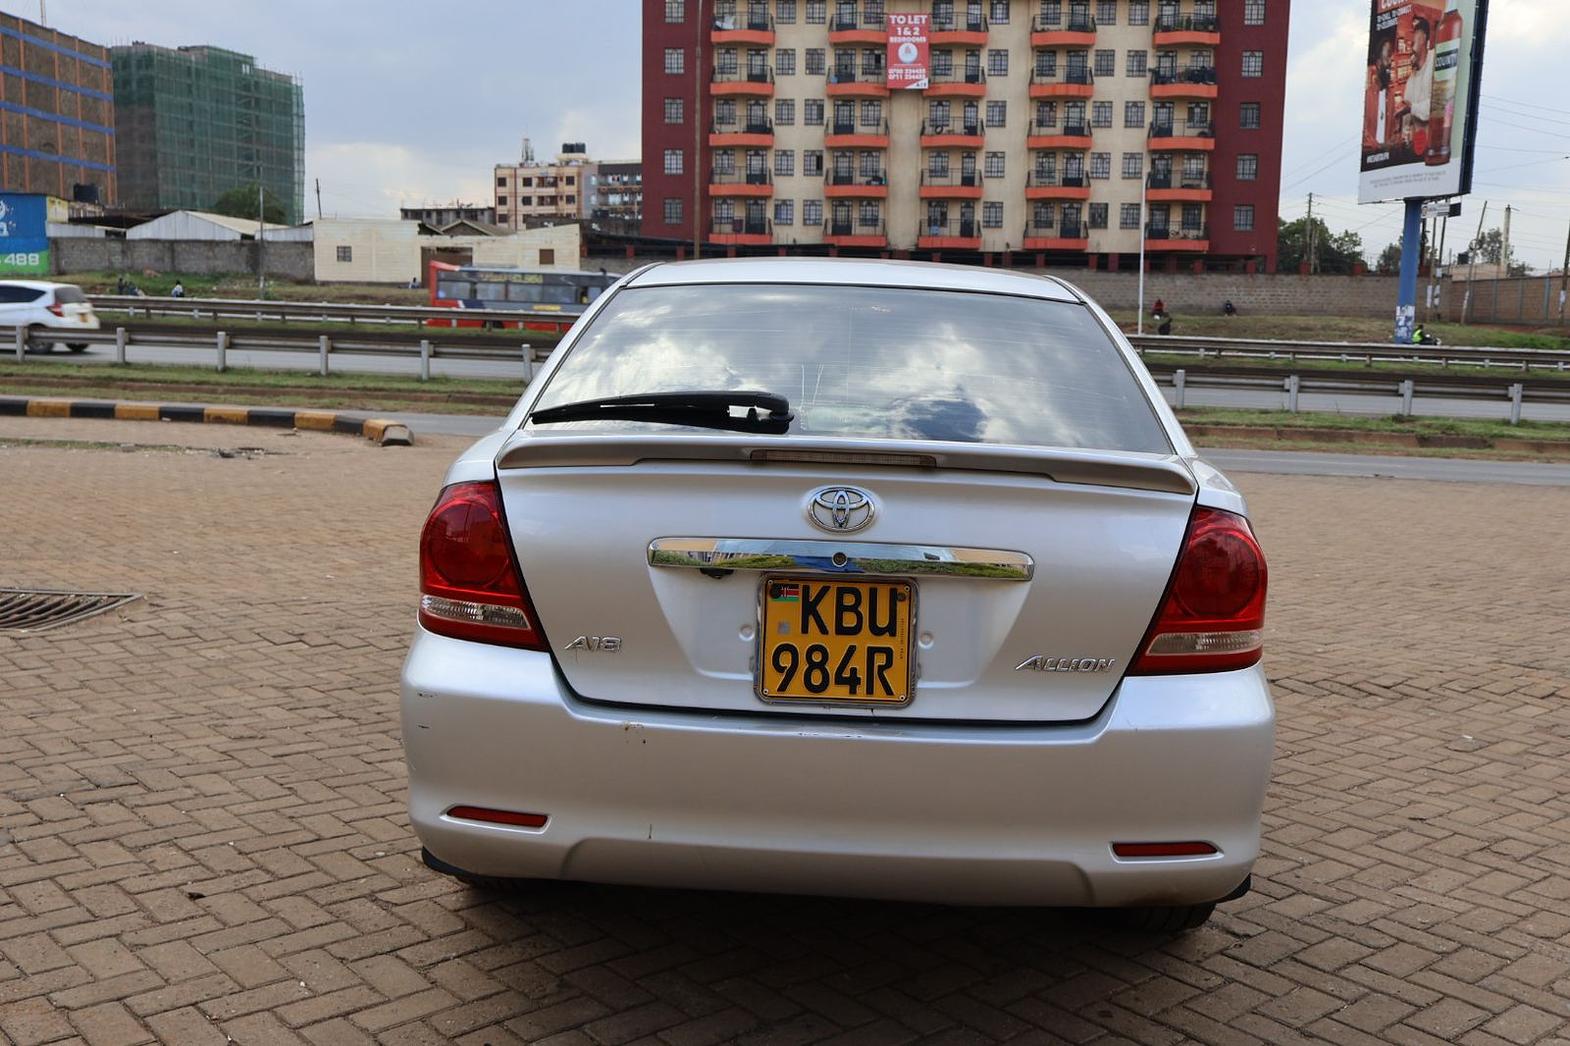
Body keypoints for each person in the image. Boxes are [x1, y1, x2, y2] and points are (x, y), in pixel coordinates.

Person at [1404, 18, 1434, 158]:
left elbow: (1435, 105)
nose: (1409, 42)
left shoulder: (1435, 61)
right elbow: (1406, 108)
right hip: (1416, 150)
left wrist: (1412, 108)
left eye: (1414, 34)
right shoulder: (1412, 77)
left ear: (1423, 38)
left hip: (1433, 146)